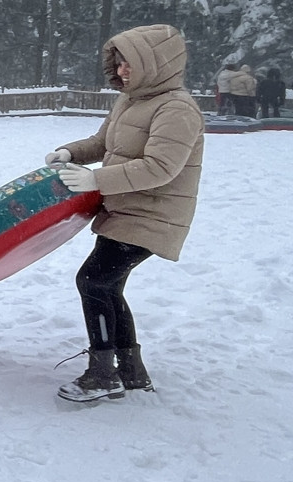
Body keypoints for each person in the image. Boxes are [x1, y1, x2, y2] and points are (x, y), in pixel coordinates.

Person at [43, 24, 205, 405]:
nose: (121, 71)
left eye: (129, 62)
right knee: (107, 286)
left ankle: (103, 374)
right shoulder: (131, 100)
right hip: (124, 210)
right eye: (117, 63)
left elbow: (160, 167)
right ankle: (131, 372)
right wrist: (70, 153)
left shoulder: (177, 109)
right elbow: (103, 142)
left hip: (152, 215)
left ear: (155, 62)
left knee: (93, 281)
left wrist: (95, 179)